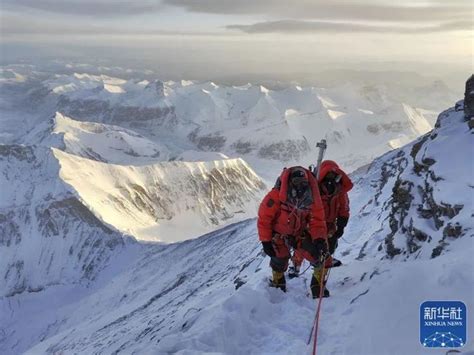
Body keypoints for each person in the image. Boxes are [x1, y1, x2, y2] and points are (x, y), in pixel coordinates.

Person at [257, 166, 328, 293]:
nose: (300, 186)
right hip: (278, 235)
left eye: (303, 183)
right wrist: (266, 241)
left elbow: (317, 220)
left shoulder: (311, 198)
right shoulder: (276, 196)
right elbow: (264, 219)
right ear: (289, 182)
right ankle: (278, 284)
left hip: (298, 234)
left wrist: (319, 239)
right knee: (279, 259)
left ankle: (317, 285)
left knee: (318, 255)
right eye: (296, 183)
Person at [290, 160, 353, 298]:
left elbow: (344, 209)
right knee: (304, 250)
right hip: (311, 226)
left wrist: (341, 225)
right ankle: (296, 266)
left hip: (329, 226)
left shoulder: (340, 192)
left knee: (326, 252)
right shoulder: (313, 192)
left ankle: (317, 283)